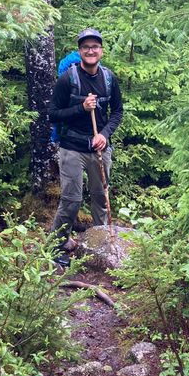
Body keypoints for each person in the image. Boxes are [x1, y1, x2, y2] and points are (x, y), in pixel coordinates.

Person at [49, 28, 123, 259]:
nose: (90, 51)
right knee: (72, 200)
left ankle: (100, 245)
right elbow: (53, 114)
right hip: (71, 148)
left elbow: (117, 112)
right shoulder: (67, 79)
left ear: (101, 51)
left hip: (99, 148)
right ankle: (57, 246)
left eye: (94, 47)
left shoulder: (109, 79)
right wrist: (80, 108)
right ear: (80, 51)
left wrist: (104, 134)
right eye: (85, 47)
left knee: (101, 197)